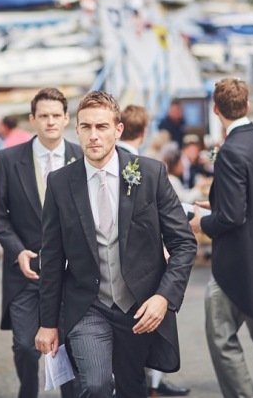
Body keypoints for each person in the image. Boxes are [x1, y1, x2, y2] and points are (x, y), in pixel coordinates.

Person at [35, 91, 197, 397]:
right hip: (88, 305)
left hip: (138, 307)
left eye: (101, 127)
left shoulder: (149, 174)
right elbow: (52, 259)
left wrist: (163, 297)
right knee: (96, 384)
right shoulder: (60, 183)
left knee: (132, 387)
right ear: (77, 130)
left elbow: (184, 244)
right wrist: (47, 323)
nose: (93, 136)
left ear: (118, 129)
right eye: (86, 127)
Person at [189, 78, 253, 398]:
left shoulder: (230, 151)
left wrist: (203, 222)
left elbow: (232, 216)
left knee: (221, 337)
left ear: (216, 110)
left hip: (239, 261)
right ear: (247, 105)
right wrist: (217, 204)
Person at [0, 88, 83, 398]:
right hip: (25, 274)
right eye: (44, 116)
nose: (50, 122)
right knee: (26, 348)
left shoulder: (82, 158)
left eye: (57, 115)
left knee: (70, 351)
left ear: (67, 119)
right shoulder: (7, 160)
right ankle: (27, 392)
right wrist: (17, 251)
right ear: (32, 120)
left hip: (72, 276)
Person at [118, 105, 191, 397]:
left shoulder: (148, 169)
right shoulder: (143, 166)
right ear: (145, 131)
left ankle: (151, 384)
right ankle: (152, 384)